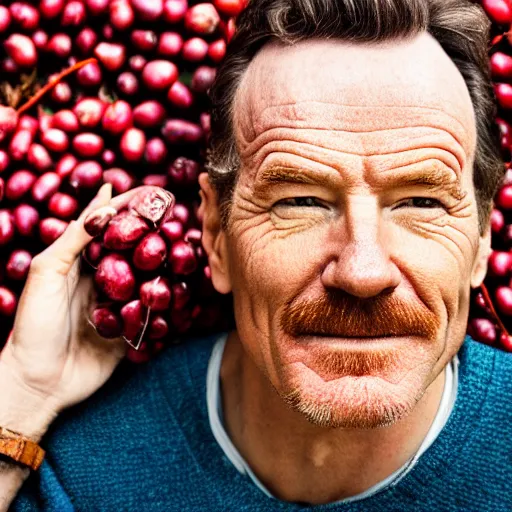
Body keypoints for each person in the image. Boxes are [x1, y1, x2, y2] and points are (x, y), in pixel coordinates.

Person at [1, 0, 511, 510]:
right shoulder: (87, 479)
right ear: (216, 234)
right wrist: (22, 393)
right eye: (300, 201)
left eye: (421, 202)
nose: (363, 271)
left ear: (482, 239)